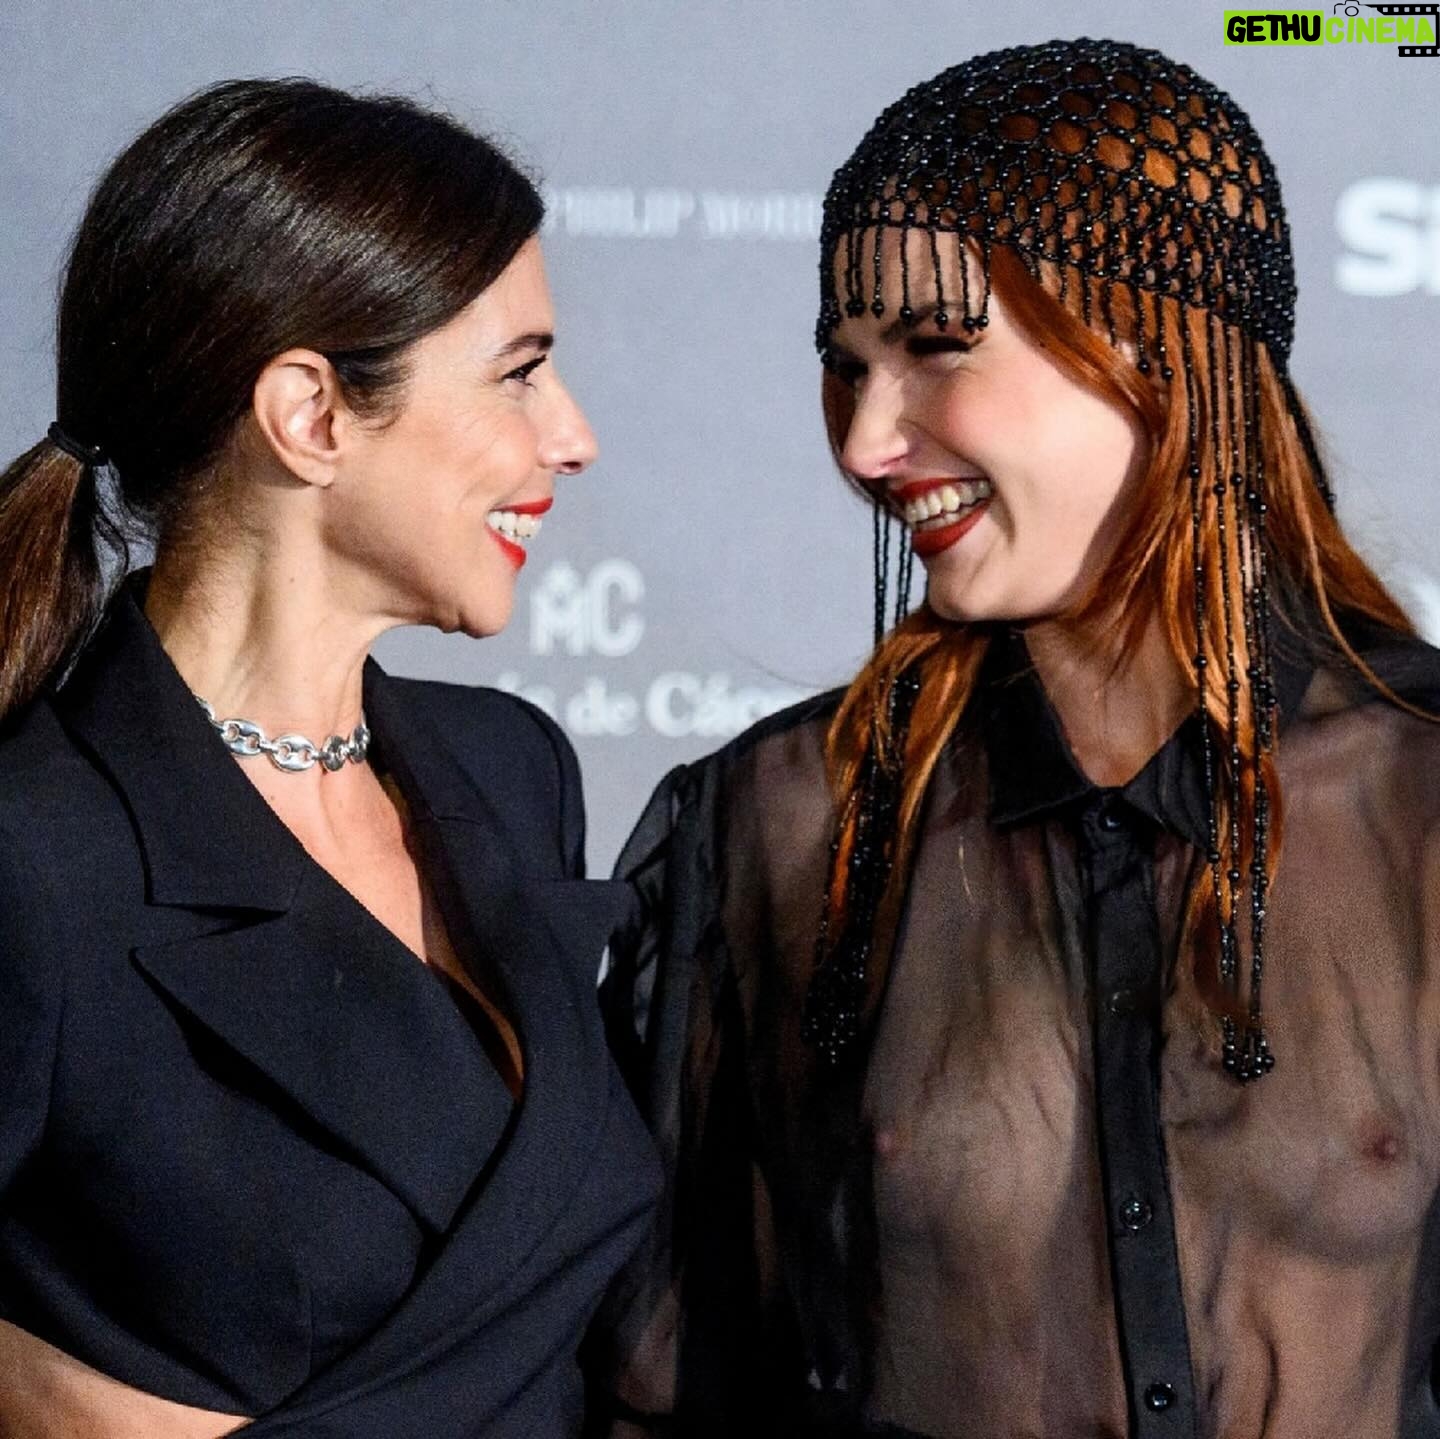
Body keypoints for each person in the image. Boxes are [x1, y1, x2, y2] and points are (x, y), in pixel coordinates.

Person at [591, 37, 1440, 1439]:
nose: (866, 442)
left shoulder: (1420, 797)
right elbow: (674, 1387)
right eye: (847, 368)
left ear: (1158, 340)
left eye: (936, 348)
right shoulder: (786, 824)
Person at [0, 78, 659, 1438]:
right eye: (520, 374)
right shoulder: (38, 855)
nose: (573, 436)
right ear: (311, 414)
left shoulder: (512, 773)